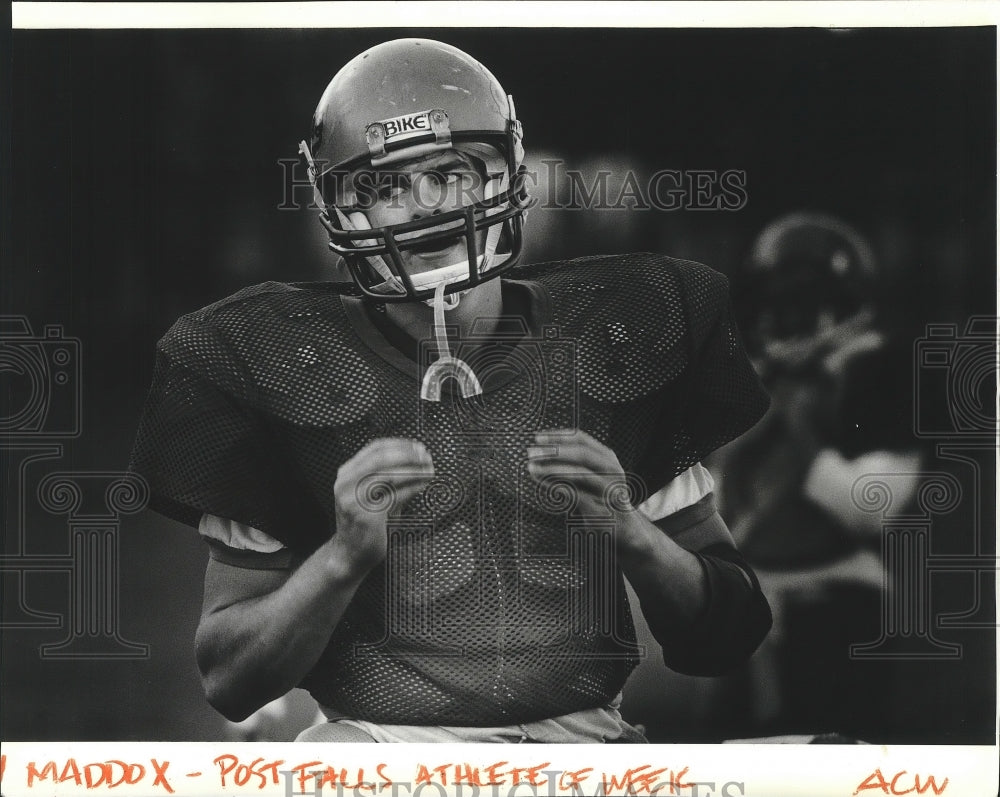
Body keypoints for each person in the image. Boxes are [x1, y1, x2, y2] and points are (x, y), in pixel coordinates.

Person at [130, 38, 772, 744]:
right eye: (385, 186)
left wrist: (632, 532)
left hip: (589, 745)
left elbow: (731, 635)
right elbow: (230, 679)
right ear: (337, 204)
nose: (424, 206)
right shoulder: (282, 370)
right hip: (379, 752)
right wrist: (341, 557)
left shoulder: (612, 343)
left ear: (509, 169)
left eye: (454, 172)